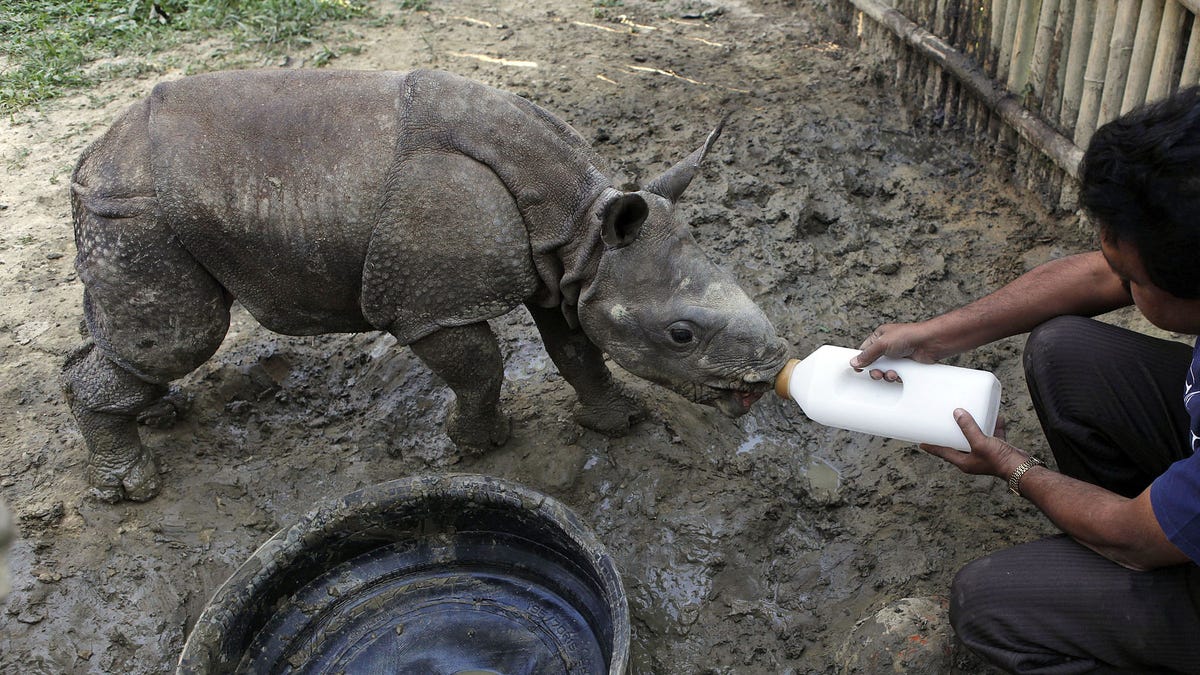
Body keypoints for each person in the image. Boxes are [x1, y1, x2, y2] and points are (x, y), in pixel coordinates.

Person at [851, 86, 1200, 673]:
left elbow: (1137, 537)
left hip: (1147, 539)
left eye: (1130, 276)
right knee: (1067, 352)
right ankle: (1132, 549)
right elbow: (1095, 278)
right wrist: (935, 334)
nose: (1111, 274)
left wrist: (1013, 468)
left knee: (989, 605)